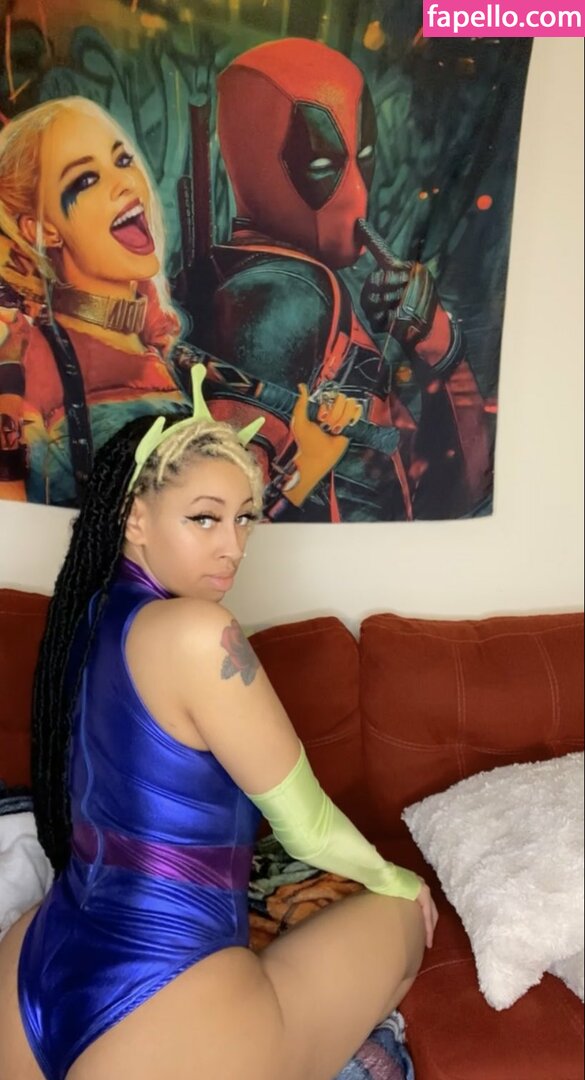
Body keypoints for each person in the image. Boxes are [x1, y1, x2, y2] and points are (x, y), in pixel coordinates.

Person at [0, 366, 437, 1080]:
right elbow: (306, 827)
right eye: (204, 518)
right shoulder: (201, 633)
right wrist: (398, 880)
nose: (233, 546)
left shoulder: (87, 613)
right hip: (167, 1001)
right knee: (403, 914)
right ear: (135, 519)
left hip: (34, 972)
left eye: (243, 518)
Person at [192, 37, 490, 521]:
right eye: (321, 164)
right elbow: (234, 517)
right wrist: (443, 351)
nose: (356, 192)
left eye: (363, 156)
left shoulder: (268, 280)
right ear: (255, 157)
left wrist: (438, 347)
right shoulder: (288, 293)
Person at [0, 96, 189, 507]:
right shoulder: (26, 364)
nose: (126, 183)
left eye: (122, 161)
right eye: (86, 180)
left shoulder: (169, 353)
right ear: (43, 228)